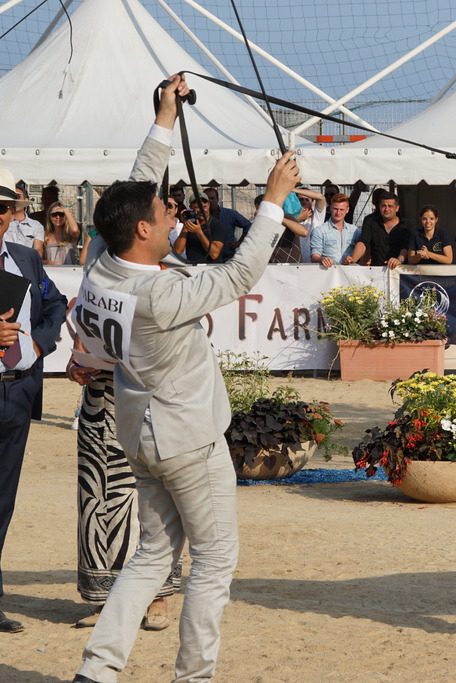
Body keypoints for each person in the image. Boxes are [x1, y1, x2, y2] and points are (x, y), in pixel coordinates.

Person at [70, 74, 300, 683]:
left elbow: (138, 190)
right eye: (162, 210)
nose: (170, 207)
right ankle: (193, 677)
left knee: (150, 557)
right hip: (187, 438)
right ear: (143, 231)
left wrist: (164, 116)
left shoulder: (102, 263)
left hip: (140, 434)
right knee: (215, 559)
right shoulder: (161, 293)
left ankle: (97, 669)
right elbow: (240, 274)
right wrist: (273, 200)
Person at [66, 336, 181, 632]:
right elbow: (84, 333)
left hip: (151, 398)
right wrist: (76, 363)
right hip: (100, 400)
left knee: (153, 499)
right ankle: (105, 599)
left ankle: (158, 597)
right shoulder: (95, 288)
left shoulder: (163, 289)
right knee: (96, 497)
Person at [0, 169, 68, 635]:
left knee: (3, 501)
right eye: (2, 208)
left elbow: (57, 304)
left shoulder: (25, 257)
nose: (7, 217)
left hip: (19, 389)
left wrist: (41, 344)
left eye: (10, 208)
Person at [349, 191, 414, 268]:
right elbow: (363, 242)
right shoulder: (370, 222)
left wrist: (399, 260)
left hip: (400, 272)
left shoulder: (407, 225)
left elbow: (406, 247)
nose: (386, 209)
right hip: (376, 271)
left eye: (390, 206)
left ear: (397, 208)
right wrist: (353, 259)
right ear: (379, 207)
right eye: (383, 206)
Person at [172, 195, 231, 264]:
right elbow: (177, 251)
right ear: (191, 207)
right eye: (196, 207)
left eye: (204, 207)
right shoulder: (190, 226)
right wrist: (186, 224)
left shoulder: (217, 225)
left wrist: (199, 233)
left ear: (209, 205)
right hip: (193, 269)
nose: (201, 210)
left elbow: (214, 254)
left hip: (212, 269)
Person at [310, 193, 362, 267]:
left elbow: (363, 250)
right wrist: (322, 259)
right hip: (328, 273)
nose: (338, 213)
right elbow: (314, 256)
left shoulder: (355, 231)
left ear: (347, 210)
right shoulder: (319, 231)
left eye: (341, 209)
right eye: (335, 209)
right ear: (330, 208)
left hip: (350, 274)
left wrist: (353, 259)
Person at [203, 186, 252, 261]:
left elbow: (248, 226)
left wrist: (239, 242)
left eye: (212, 198)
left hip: (227, 256)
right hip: (206, 256)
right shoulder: (200, 217)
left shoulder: (230, 214)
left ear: (218, 200)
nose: (210, 201)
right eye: (207, 199)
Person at [3, 186, 45, 259]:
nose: (15, 200)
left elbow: (38, 250)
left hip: (26, 263)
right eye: (13, 197)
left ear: (26, 200)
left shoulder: (36, 225)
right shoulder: (3, 221)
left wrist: (32, 264)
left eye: (18, 196)